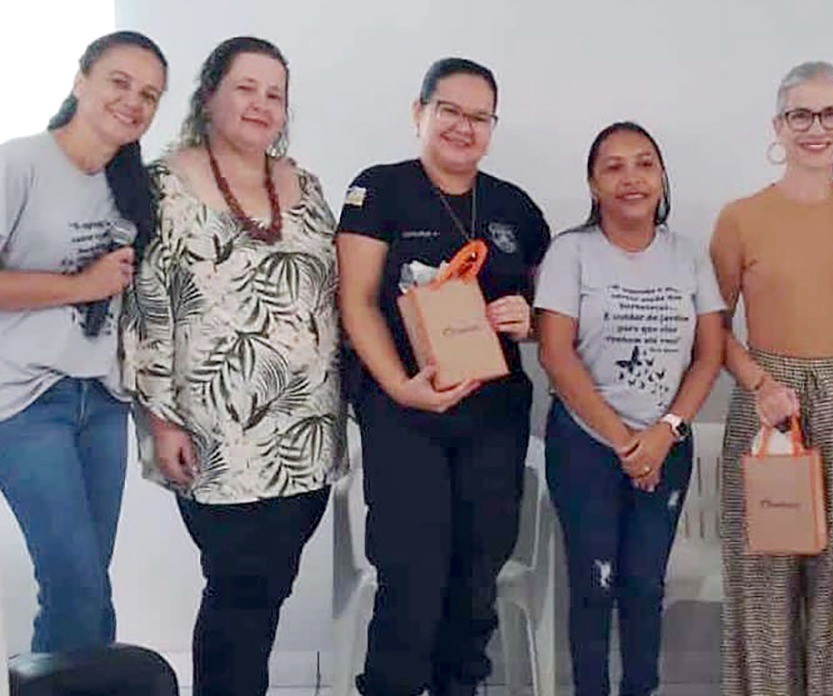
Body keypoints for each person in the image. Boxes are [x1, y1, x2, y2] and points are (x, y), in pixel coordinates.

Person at [123, 36, 346, 696]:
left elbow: (333, 291)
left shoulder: (304, 185)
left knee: (267, 591)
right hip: (214, 437)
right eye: (246, 88)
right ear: (209, 95)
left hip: (307, 436)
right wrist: (160, 422)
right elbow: (148, 308)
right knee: (237, 592)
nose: (261, 104)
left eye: (274, 94)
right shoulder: (162, 185)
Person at [336, 57, 551, 696]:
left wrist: (530, 320)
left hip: (493, 421)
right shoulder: (379, 191)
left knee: (477, 579)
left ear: (493, 126)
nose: (463, 127)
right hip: (405, 416)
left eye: (478, 116)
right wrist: (402, 386)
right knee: (411, 577)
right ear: (419, 113)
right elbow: (356, 302)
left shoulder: (515, 207)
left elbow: (551, 317)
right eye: (449, 111)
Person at [710, 61, 833, 696]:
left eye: (830, 114)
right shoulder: (740, 217)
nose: (815, 128)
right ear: (778, 126)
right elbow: (711, 326)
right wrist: (759, 384)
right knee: (761, 593)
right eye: (800, 114)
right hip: (767, 405)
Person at [534, 121, 725, 696]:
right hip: (585, 448)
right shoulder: (572, 252)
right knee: (594, 585)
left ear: (662, 177)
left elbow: (709, 353)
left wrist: (665, 431)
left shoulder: (688, 256)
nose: (630, 178)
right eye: (612, 167)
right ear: (593, 184)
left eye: (643, 163)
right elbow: (554, 353)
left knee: (644, 585)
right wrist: (623, 441)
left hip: (666, 446)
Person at [0, 30, 166, 653]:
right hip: (23, 403)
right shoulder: (19, 163)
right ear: (81, 81)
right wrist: (80, 285)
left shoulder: (133, 186)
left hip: (100, 402)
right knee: (75, 587)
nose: (133, 101)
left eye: (149, 94)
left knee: (89, 587)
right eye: (119, 82)